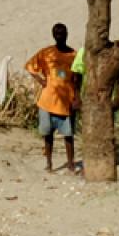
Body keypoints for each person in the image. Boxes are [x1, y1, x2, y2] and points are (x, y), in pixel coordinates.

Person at [23, 22, 81, 174]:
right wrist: (40, 80)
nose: (60, 37)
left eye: (62, 34)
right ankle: (49, 163)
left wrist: (77, 97)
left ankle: (70, 164)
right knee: (47, 134)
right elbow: (30, 66)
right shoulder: (46, 53)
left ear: (67, 35)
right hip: (47, 100)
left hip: (65, 100)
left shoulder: (73, 55)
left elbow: (77, 78)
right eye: (57, 34)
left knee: (68, 135)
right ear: (54, 36)